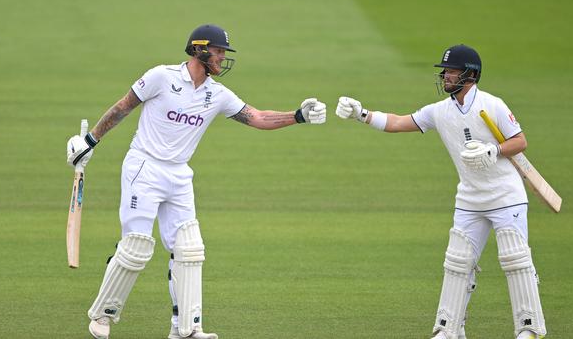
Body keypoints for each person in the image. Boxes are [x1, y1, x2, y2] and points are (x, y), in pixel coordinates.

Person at [66, 23, 327, 339]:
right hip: (144, 168)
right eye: (218, 51)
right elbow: (123, 107)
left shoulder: (216, 94)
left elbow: (256, 117)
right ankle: (103, 315)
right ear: (199, 49)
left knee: (189, 249)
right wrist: (90, 141)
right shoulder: (161, 77)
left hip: (179, 175)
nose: (221, 58)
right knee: (136, 246)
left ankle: (186, 328)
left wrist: (297, 115)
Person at [335, 44, 547, 339]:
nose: (445, 76)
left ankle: (529, 329)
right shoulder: (440, 111)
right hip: (470, 198)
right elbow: (398, 122)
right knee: (458, 262)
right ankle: (449, 330)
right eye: (445, 71)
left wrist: (493, 150)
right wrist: (362, 114)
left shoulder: (492, 104)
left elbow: (520, 141)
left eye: (451, 71)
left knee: (515, 259)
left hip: (505, 196)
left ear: (470, 75)